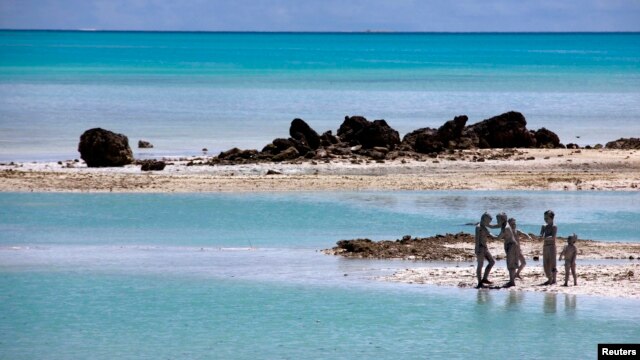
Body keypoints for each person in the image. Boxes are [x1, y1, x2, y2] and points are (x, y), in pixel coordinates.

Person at [496, 212, 517, 288]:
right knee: (510, 263)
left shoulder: (506, 227)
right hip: (509, 246)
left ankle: (512, 282)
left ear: (502, 219)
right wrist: (488, 225)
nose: (497, 221)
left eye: (498, 220)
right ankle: (511, 280)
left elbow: (498, 238)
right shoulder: (504, 224)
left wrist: (489, 234)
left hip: (511, 246)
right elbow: (496, 226)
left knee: (511, 264)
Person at [475, 212, 496, 288]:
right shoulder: (478, 227)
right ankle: (479, 282)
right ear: (484, 219)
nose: (489, 223)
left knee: (492, 262)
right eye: (488, 221)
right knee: (480, 265)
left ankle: (485, 278)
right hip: (480, 248)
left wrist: (501, 236)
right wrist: (476, 249)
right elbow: (477, 239)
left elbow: (491, 234)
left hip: (485, 248)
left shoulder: (484, 227)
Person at [540, 210, 558, 285]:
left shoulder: (554, 226)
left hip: (552, 246)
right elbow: (541, 235)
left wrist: (544, 238)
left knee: (553, 264)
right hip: (545, 246)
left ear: (552, 218)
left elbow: (553, 237)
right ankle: (549, 278)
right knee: (545, 264)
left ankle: (554, 280)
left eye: (547, 218)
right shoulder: (543, 226)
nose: (545, 220)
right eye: (544, 218)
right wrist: (540, 237)